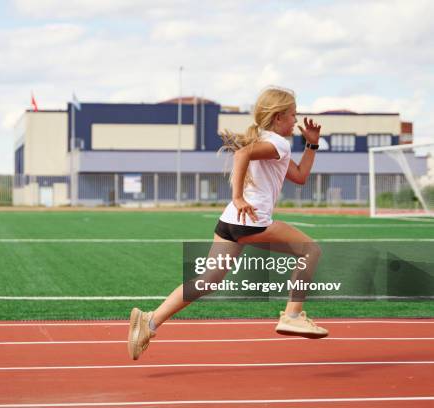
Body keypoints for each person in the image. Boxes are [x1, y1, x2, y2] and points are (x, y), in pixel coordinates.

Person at [128, 86, 328, 360]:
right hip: (252, 222)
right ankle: (292, 314)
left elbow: (300, 175)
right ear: (279, 117)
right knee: (311, 250)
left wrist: (312, 145)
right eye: (293, 115)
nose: (297, 120)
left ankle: (149, 322)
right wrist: (237, 196)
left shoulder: (271, 143)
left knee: (207, 280)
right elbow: (241, 155)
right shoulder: (277, 144)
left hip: (230, 223)